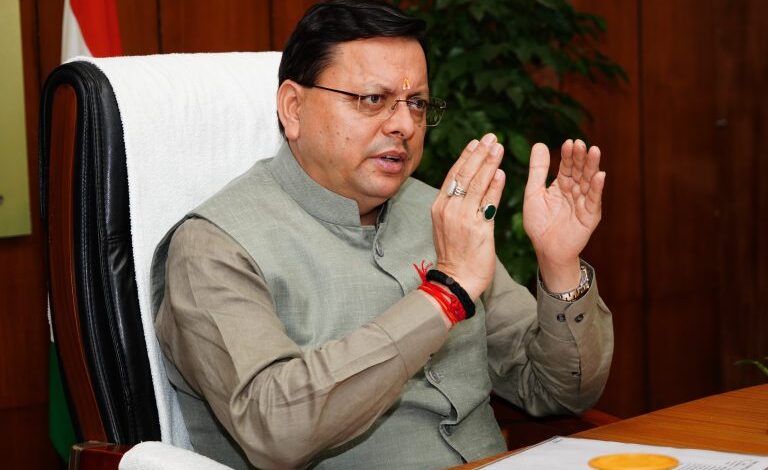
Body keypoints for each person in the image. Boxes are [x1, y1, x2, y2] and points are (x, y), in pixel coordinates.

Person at [151, 1, 613, 469]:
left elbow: (557, 390)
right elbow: (275, 429)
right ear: (293, 108)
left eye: (417, 104)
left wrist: (559, 268)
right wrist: (443, 295)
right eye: (373, 100)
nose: (404, 125)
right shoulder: (215, 247)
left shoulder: (441, 214)